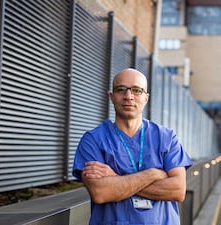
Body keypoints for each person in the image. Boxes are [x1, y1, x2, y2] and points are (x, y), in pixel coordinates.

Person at [72, 68, 193, 225]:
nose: (128, 96)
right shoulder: (93, 140)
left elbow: (177, 190)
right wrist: (153, 174)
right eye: (121, 89)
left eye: (136, 90)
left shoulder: (166, 138)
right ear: (112, 97)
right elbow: (100, 192)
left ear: (146, 98)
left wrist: (116, 179)